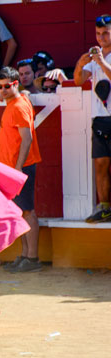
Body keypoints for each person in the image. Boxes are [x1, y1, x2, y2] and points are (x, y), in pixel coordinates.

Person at [0, 67, 42, 273]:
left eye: (7, 86)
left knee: (27, 212)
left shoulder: (18, 106)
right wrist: (1, 92)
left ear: (16, 85)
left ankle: (32, 258)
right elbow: (2, 95)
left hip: (19, 167)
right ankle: (25, 256)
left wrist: (18, 167)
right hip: (13, 167)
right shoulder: (17, 100)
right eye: (0, 86)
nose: (3, 90)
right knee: (21, 212)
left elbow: (27, 139)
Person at [74, 14, 111, 223]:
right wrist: (80, 64)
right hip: (99, 117)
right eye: (98, 33)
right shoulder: (95, 57)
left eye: (105, 33)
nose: (101, 37)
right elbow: (79, 80)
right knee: (100, 165)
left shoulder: (101, 59)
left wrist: (102, 62)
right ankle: (104, 207)